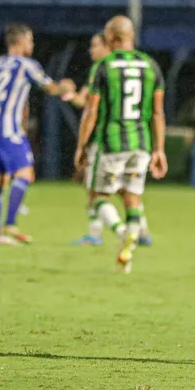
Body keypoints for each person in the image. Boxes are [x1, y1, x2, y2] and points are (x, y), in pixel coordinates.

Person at [74, 16, 167, 272]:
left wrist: (82, 146)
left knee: (98, 197)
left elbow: (91, 111)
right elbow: (158, 113)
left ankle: (121, 231)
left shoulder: (104, 66)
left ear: (112, 39)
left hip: (111, 143)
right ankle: (127, 252)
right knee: (133, 199)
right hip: (142, 144)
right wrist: (159, 149)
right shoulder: (151, 66)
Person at [0, 23, 76, 244]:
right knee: (24, 174)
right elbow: (50, 87)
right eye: (30, 40)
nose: (32, 44)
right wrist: (66, 87)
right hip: (9, 131)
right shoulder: (25, 65)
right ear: (20, 42)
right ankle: (10, 224)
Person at [71, 32, 112, 247]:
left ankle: (102, 233)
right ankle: (140, 229)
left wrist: (82, 144)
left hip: (103, 138)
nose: (91, 50)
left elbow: (89, 106)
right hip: (129, 138)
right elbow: (82, 99)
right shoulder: (122, 67)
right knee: (127, 190)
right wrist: (69, 94)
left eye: (95, 45)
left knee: (94, 189)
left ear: (108, 46)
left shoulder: (102, 69)